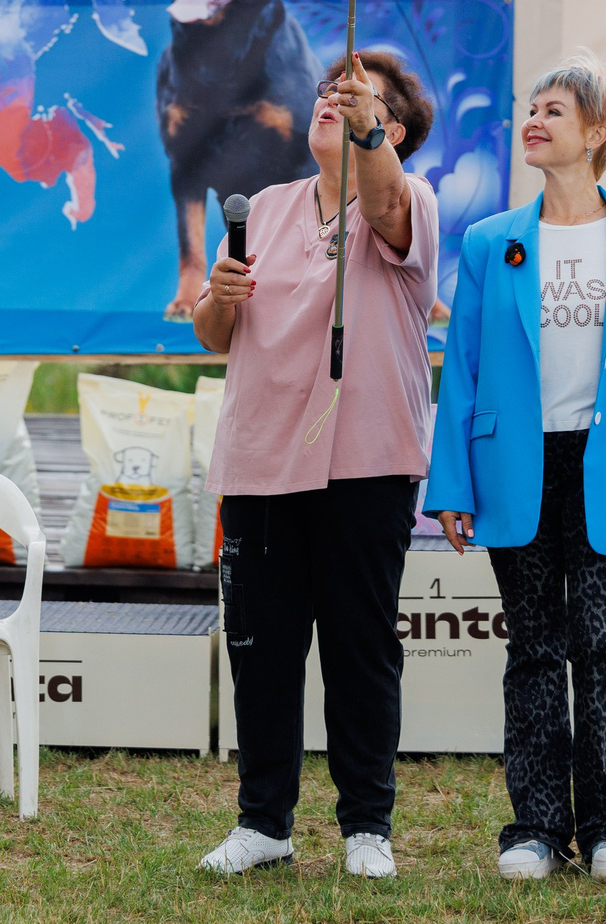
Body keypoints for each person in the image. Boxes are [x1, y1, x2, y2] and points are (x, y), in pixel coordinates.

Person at [423, 52, 606, 882]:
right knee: (534, 650)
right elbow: (461, 370)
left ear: (598, 132)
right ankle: (535, 831)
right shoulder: (488, 242)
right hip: (516, 465)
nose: (532, 123)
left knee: (602, 646)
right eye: (530, 109)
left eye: (553, 111)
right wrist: (451, 486)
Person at [191, 50, 440, 881]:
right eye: (329, 92)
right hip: (262, 460)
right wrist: (218, 298)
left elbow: (386, 198)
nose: (332, 100)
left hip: (365, 464)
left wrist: (369, 129)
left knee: (359, 649)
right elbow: (216, 335)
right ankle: (264, 824)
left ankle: (367, 825)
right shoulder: (262, 207)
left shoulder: (404, 202)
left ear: (392, 128)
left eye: (358, 96)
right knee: (261, 650)